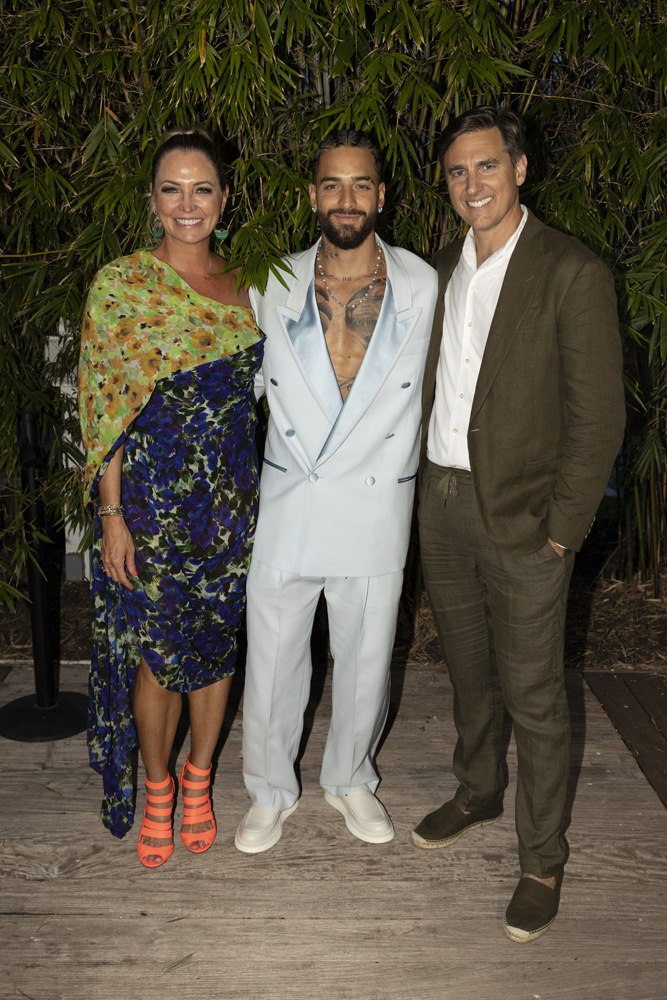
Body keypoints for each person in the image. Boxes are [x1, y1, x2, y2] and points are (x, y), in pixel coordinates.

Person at [413, 106, 626, 940]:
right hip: (443, 503)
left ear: (520, 169)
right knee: (468, 670)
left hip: (526, 518)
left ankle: (541, 858)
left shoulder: (571, 271)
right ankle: (477, 790)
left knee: (534, 696)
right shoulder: (440, 269)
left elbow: (597, 419)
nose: (472, 184)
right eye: (458, 171)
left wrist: (561, 531)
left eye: (487, 167)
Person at [235, 130, 438, 853]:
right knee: (272, 661)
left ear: (381, 196)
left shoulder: (423, 284)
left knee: (362, 661)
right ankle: (268, 790)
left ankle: (350, 778)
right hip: (290, 502)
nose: (345, 199)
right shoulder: (270, 281)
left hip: (377, 503)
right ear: (311, 194)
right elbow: (242, 391)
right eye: (331, 184)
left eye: (360, 185)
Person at [78, 128, 264, 867]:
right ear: (152, 199)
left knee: (216, 652)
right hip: (150, 506)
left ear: (224, 197)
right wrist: (112, 516)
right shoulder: (121, 285)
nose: (187, 204)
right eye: (171, 188)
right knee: (157, 656)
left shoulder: (255, 280)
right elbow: (104, 413)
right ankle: (157, 786)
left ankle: (197, 780)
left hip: (231, 506)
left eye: (202, 188)